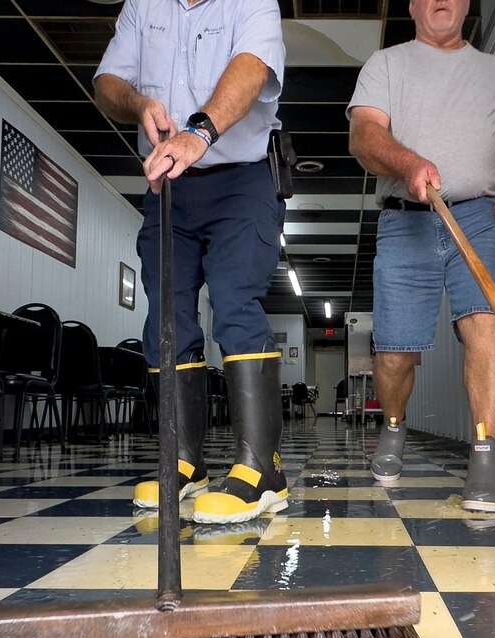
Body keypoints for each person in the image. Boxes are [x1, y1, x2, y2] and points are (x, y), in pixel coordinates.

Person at [93, 0, 289, 524]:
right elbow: (107, 80)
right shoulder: (143, 5)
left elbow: (251, 69)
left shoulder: (252, 2)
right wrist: (138, 103)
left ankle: (262, 469)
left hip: (242, 179)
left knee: (234, 304)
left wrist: (199, 132)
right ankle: (182, 462)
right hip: (169, 184)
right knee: (167, 316)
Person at [347, 0, 495, 512]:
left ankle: (484, 457)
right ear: (412, 6)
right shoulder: (387, 64)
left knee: (486, 326)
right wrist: (408, 162)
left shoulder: (494, 72)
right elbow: (364, 136)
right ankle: (393, 427)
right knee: (394, 352)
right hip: (404, 215)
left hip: (481, 216)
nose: (442, 0)